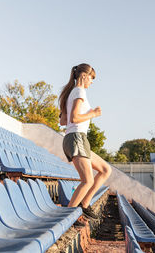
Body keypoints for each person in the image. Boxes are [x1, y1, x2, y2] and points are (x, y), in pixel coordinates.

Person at [59, 63, 112, 219]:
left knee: (105, 170)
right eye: (91, 78)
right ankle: (68, 217)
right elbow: (74, 118)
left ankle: (85, 204)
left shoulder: (71, 93)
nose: (92, 82)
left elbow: (63, 121)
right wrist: (93, 113)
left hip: (77, 137)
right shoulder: (79, 92)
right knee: (87, 181)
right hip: (77, 137)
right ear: (84, 76)